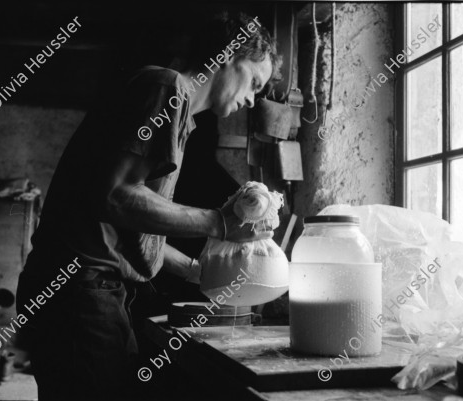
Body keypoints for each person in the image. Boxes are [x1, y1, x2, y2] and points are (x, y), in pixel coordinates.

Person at [16, 11, 281, 401]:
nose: (253, 99)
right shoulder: (166, 87)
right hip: (78, 289)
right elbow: (115, 196)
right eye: (254, 82)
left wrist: (198, 270)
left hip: (87, 287)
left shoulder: (181, 114)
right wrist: (218, 223)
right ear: (227, 55)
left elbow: (135, 225)